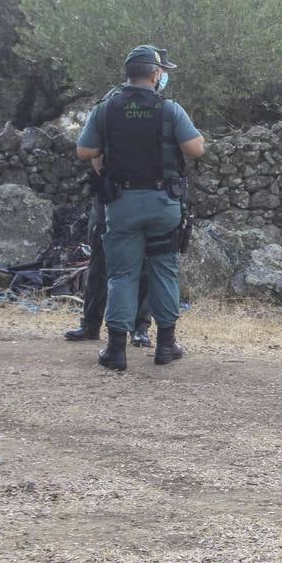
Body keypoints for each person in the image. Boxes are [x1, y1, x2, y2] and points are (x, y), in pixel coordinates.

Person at [76, 45, 205, 371]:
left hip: (122, 205)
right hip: (163, 204)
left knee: (122, 274)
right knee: (164, 270)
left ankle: (116, 351)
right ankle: (165, 346)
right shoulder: (170, 109)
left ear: (128, 74)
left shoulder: (105, 110)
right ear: (155, 74)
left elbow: (84, 150)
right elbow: (195, 149)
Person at [62, 175, 153, 347]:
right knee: (99, 264)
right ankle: (91, 324)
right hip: (110, 189)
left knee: (143, 265)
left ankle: (140, 328)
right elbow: (89, 152)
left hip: (142, 191)